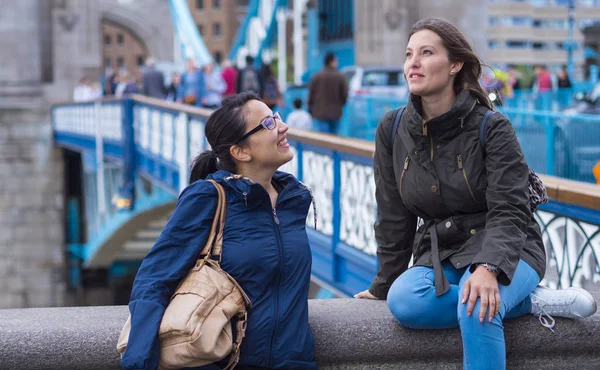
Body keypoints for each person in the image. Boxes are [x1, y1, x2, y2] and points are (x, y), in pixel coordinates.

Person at [354, 18, 597, 370]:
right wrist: (383, 283)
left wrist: (488, 267)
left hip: (510, 246)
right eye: (409, 54)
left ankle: (502, 296)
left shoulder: (491, 127)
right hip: (444, 250)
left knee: (477, 306)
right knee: (404, 302)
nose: (413, 63)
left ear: (455, 65)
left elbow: (511, 210)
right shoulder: (392, 129)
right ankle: (530, 303)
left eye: (426, 53)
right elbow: (394, 216)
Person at [120, 91, 317, 370]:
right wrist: (139, 361)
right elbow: (155, 277)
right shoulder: (210, 197)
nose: (283, 127)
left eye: (276, 117)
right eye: (269, 124)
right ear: (240, 151)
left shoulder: (294, 200)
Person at [307, 52, 348, 134]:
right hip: (336, 112)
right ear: (331, 62)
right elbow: (344, 94)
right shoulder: (339, 77)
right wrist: (340, 104)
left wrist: (311, 109)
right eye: (336, 61)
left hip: (320, 112)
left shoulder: (316, 76)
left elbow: (310, 95)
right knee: (335, 138)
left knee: (324, 139)